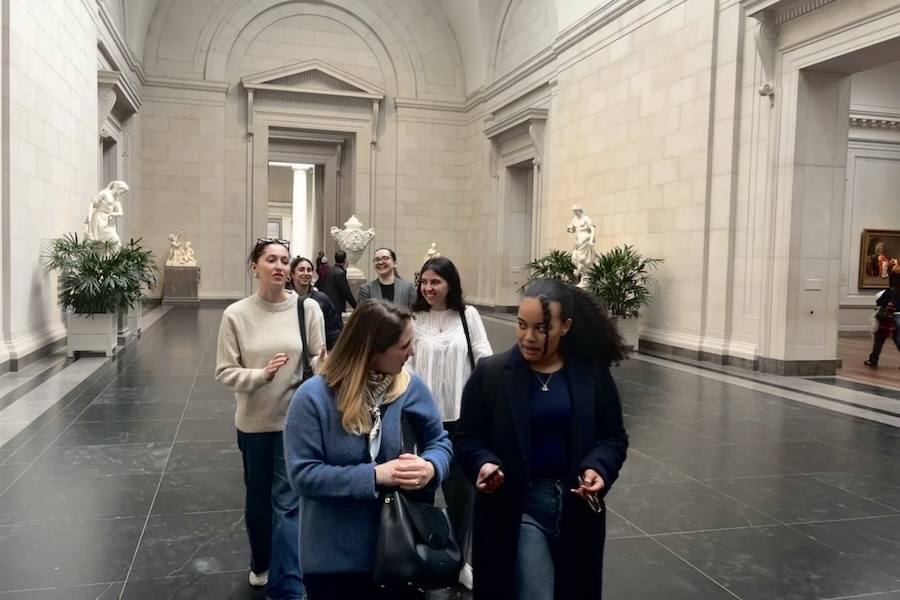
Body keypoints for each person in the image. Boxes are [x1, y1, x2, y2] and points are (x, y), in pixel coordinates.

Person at [454, 279, 629, 600]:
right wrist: (483, 463)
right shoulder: (491, 375)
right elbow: (467, 438)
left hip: (576, 509)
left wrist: (598, 468)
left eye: (541, 328)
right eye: (522, 325)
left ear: (566, 327)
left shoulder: (592, 375)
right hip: (517, 506)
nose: (528, 337)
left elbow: (612, 436)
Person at [284, 299, 452, 600]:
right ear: (373, 350)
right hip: (334, 561)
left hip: (403, 553)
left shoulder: (410, 388)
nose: (412, 352)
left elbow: (440, 441)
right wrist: (375, 476)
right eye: (404, 346)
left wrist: (431, 467)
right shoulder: (313, 398)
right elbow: (303, 476)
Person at [215, 238, 327, 600]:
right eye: (271, 260)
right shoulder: (236, 314)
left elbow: (316, 360)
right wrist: (260, 375)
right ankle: (261, 562)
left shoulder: (308, 310)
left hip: (294, 422)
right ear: (255, 268)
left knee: (288, 501)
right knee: (258, 500)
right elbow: (224, 371)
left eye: (284, 260)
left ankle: (288, 580)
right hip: (253, 421)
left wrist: (327, 365)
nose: (279, 266)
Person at [409, 256, 492, 590]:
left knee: (461, 495)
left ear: (450, 284)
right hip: (420, 421)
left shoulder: (468, 316)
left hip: (461, 420)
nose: (429, 288)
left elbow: (484, 357)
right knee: (420, 494)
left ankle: (459, 560)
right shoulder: (412, 318)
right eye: (424, 282)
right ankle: (419, 557)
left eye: (436, 282)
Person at [290, 256, 343, 350]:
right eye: (301, 270)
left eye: (309, 270)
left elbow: (334, 330)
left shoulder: (322, 299)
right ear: (292, 274)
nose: (306, 273)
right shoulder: (284, 299)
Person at [865, 271, 900, 368]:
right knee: (898, 340)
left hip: (889, 318)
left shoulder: (889, 292)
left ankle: (873, 359)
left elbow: (879, 302)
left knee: (879, 340)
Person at [84, 180, 128, 249]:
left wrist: (113, 214)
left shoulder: (116, 199)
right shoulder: (105, 193)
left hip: (109, 222)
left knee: (116, 243)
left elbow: (121, 212)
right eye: (122, 192)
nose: (122, 194)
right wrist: (89, 216)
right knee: (101, 243)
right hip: (100, 219)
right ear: (119, 188)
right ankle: (102, 258)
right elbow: (92, 202)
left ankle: (108, 259)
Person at [566, 203, 596, 281]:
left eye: (576, 211)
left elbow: (592, 228)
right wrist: (569, 229)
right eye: (574, 212)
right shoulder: (574, 219)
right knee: (574, 258)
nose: (575, 213)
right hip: (578, 240)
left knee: (585, 259)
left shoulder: (585, 218)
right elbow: (572, 229)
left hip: (585, 238)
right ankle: (582, 273)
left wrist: (591, 239)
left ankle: (585, 277)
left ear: (580, 210)